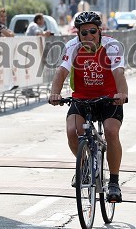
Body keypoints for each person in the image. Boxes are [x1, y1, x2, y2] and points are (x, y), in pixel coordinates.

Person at [49, 11, 128, 203]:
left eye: (92, 31)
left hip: (110, 99)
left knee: (110, 131)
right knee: (72, 131)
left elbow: (118, 72)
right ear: (78, 34)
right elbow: (61, 71)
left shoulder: (112, 46)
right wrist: (55, 93)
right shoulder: (72, 46)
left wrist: (122, 94)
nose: (88, 36)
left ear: (99, 31)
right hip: (82, 99)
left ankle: (114, 183)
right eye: (84, 33)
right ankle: (84, 167)